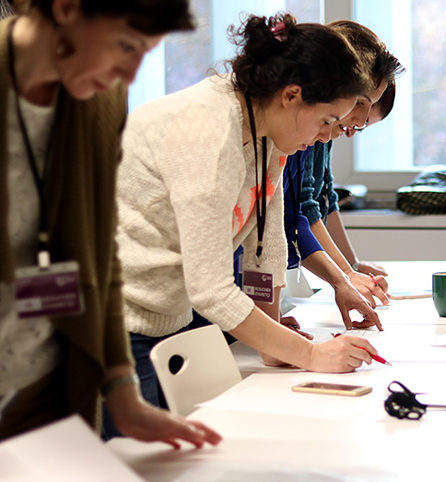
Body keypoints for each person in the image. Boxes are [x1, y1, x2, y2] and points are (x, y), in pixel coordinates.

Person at [112, 13, 381, 423]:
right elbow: (211, 290)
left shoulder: (266, 130)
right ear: (291, 95)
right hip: (114, 324)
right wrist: (309, 354)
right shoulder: (209, 131)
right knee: (135, 455)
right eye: (327, 121)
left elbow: (266, 246)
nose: (326, 136)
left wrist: (273, 341)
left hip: (164, 319)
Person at [0, 0, 221, 447]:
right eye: (126, 46)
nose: (130, 75)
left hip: (51, 387)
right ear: (66, 8)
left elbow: (100, 251)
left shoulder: (102, 96)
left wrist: (123, 392)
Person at [283, 20, 404, 315]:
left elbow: (316, 202)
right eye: (360, 104)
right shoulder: (295, 132)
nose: (356, 123)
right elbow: (300, 213)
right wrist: (345, 275)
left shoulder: (315, 131)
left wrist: (349, 270)